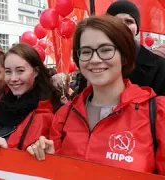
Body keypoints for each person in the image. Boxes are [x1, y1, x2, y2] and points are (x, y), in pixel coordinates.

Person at [27, 15, 165, 175]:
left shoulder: (157, 114)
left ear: (124, 55)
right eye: (86, 51)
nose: (95, 59)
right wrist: (48, 160)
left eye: (105, 50)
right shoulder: (64, 117)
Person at [0, 43, 62, 154]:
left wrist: (8, 150)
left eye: (20, 71)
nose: (13, 78)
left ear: (36, 72)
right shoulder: (1, 106)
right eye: (8, 71)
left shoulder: (49, 114)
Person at [105, 0, 165, 95]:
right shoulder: (95, 62)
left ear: (136, 28)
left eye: (129, 21)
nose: (123, 26)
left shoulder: (159, 66)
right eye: (116, 21)